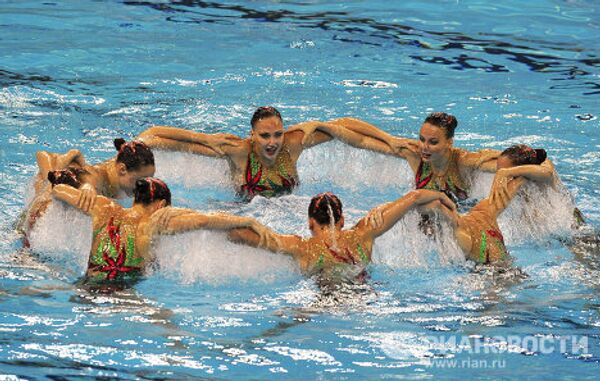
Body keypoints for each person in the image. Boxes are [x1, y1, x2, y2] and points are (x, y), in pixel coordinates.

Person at [51, 177, 272, 286]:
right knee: (165, 320)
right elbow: (203, 221)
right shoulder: (153, 223)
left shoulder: (102, 207)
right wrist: (248, 220)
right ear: (161, 205)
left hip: (82, 288)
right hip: (120, 299)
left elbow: (58, 189)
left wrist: (86, 188)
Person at [137, 106, 388, 199]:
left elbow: (345, 124)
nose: (272, 142)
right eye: (264, 136)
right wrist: (203, 138)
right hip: (243, 209)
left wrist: (391, 141)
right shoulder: (239, 151)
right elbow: (155, 135)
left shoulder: (292, 145)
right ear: (252, 136)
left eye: (277, 134)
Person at [229, 189, 456, 282]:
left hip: (323, 302)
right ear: (342, 221)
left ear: (310, 223)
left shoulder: (301, 246)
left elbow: (241, 235)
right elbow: (415, 197)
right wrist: (444, 199)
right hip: (364, 298)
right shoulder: (363, 233)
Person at [292, 112, 502, 203]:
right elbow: (359, 138)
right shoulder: (415, 154)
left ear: (449, 143)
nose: (425, 147)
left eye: (433, 142)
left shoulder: (465, 161)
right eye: (422, 139)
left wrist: (503, 157)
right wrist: (322, 125)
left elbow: (509, 165)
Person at [431, 144, 554, 264]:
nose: (498, 178)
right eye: (498, 170)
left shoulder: (541, 171)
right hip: (538, 241)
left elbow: (547, 173)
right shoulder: (513, 183)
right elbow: (475, 163)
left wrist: (505, 173)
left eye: (508, 172)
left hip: (567, 235)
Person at [19, 149, 88, 246]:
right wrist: (26, 243)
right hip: (34, 207)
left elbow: (76, 152)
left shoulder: (79, 182)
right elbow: (30, 220)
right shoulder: (46, 198)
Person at [73, 138, 156, 212]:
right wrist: (87, 186)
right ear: (122, 170)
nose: (146, 189)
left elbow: (153, 133)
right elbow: (88, 177)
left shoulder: (131, 156)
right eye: (140, 182)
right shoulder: (98, 177)